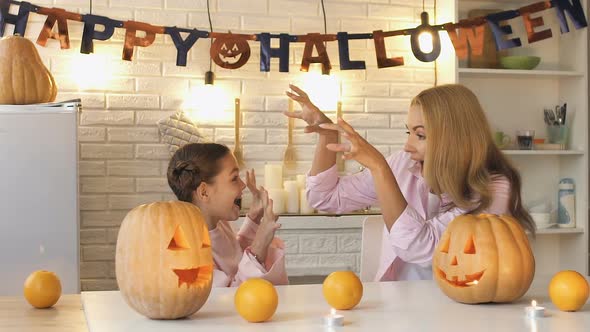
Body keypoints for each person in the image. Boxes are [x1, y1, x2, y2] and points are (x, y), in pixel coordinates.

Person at [285, 83, 535, 281]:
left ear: (454, 138)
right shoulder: (403, 164)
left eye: (420, 135)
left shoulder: (495, 189)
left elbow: (420, 248)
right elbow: (324, 198)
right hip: (399, 300)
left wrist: (379, 168)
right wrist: (327, 134)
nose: (408, 145)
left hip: (464, 308)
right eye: (409, 132)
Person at [167, 143, 288, 287]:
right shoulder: (185, 249)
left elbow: (235, 261)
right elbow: (228, 297)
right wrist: (260, 244)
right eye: (234, 178)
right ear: (204, 192)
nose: (243, 185)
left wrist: (254, 219)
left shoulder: (220, 223)